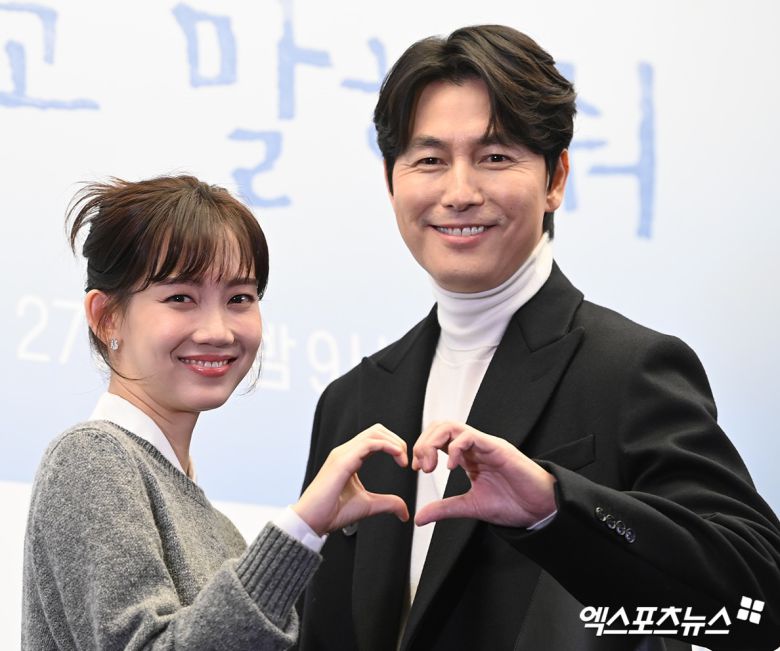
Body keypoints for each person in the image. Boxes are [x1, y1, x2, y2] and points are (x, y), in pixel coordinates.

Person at [297, 25, 780, 651]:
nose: (459, 192)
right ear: (391, 180)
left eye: (496, 157)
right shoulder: (351, 401)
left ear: (555, 178)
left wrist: (556, 506)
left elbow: (757, 604)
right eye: (430, 160)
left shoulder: (628, 369)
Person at [22, 175, 409, 650]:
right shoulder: (91, 458)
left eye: (239, 299)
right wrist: (301, 527)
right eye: (180, 298)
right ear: (106, 317)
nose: (218, 330)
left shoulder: (220, 530)